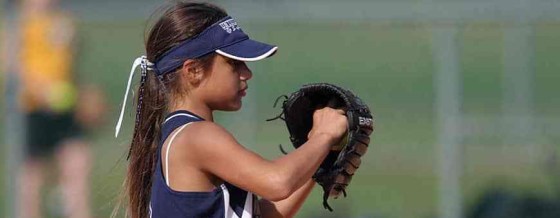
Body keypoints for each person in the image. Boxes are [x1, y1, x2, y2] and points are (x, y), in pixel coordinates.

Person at [116, 2, 348, 218]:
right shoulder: (195, 136)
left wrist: (320, 157)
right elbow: (277, 182)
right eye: (234, 63)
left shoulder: (184, 134)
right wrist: (323, 136)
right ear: (193, 71)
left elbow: (263, 213)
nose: (247, 73)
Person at [14, 0, 105, 217]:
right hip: (32, 111)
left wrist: (83, 93)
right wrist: (41, 90)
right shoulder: (16, 24)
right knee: (31, 181)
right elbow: (13, 68)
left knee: (78, 166)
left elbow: (70, 66)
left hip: (65, 109)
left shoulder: (63, 22)